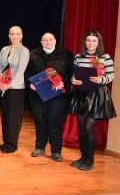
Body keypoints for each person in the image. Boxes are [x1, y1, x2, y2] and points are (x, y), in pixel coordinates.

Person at [68, 30, 116, 171]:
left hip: (97, 95)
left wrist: (101, 79)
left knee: (89, 128)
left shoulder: (105, 57)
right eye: (88, 40)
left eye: (94, 41)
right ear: (85, 42)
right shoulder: (79, 57)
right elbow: (74, 74)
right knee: (82, 128)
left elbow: (111, 75)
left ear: (98, 42)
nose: (91, 43)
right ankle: (83, 158)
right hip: (81, 94)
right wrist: (73, 81)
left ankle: (90, 161)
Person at [26, 32, 74, 161]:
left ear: (55, 40)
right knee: (40, 121)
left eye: (50, 39)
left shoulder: (66, 54)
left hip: (57, 95)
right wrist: (30, 83)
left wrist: (64, 82)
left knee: (55, 122)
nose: (47, 42)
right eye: (45, 40)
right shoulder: (32, 54)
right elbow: (27, 72)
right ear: (41, 42)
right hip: (37, 95)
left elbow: (71, 73)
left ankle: (56, 151)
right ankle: (39, 147)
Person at [0, 26, 30, 154]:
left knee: (14, 117)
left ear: (21, 36)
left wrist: (9, 84)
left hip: (16, 88)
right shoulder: (4, 49)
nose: (14, 36)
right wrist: (0, 82)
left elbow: (21, 70)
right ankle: (6, 141)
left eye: (17, 34)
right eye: (12, 34)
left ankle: (12, 144)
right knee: (5, 115)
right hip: (3, 87)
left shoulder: (24, 51)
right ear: (9, 36)